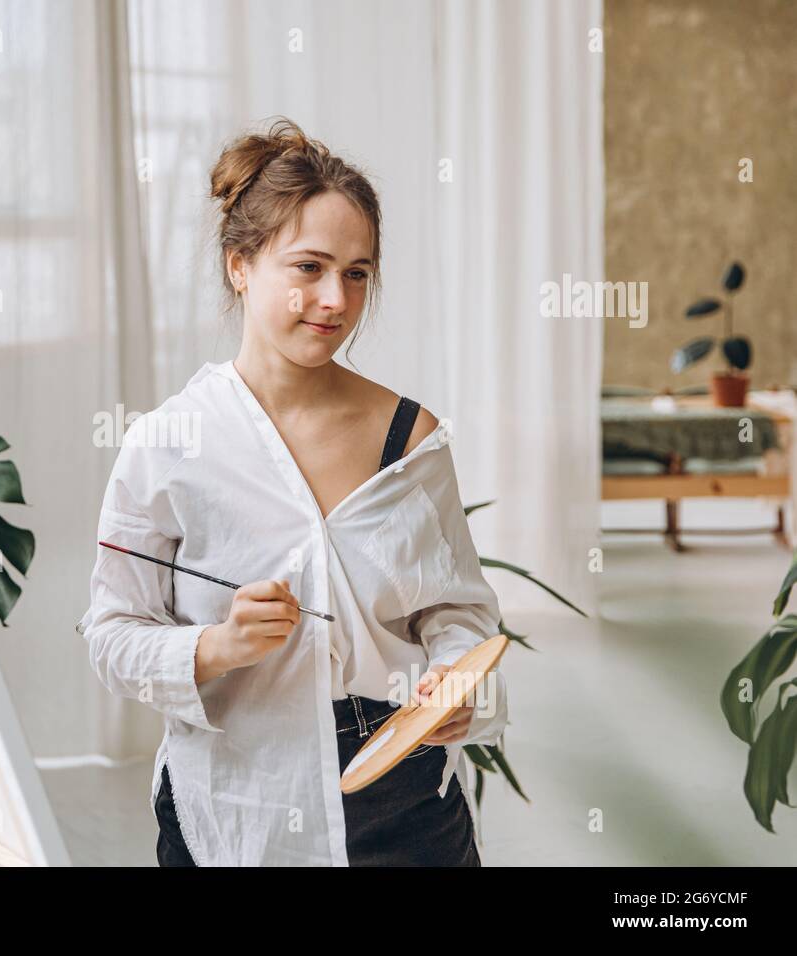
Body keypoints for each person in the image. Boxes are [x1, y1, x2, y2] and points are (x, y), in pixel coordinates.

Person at [77, 118, 508, 867]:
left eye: (357, 272)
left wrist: (456, 676)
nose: (335, 299)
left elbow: (458, 607)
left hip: (405, 800)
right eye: (308, 267)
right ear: (240, 264)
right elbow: (111, 635)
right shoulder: (167, 443)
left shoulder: (410, 435)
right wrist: (218, 645)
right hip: (237, 808)